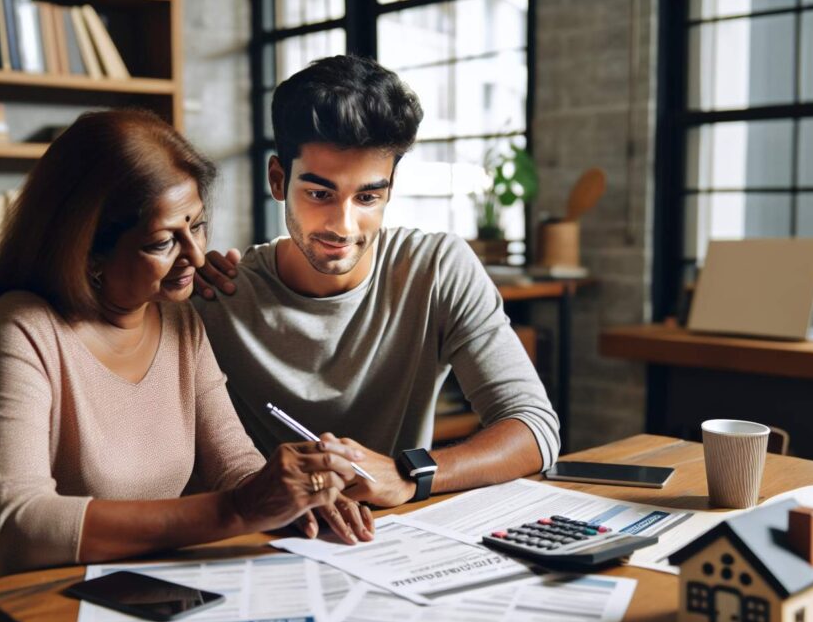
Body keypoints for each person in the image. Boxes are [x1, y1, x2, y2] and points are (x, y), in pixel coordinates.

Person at [0, 110, 371, 622]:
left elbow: (234, 464)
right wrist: (236, 510)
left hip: (134, 610)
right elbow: (20, 529)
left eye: (198, 226)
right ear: (89, 253)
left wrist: (297, 500)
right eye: (163, 241)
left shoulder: (181, 326)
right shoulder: (27, 326)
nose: (196, 257)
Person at [192, 55, 560, 542]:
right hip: (259, 547)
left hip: (388, 542)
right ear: (278, 180)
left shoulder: (435, 269)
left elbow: (534, 429)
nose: (344, 227)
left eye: (367, 197)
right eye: (320, 194)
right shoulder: (219, 293)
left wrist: (409, 475)